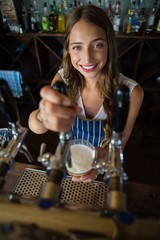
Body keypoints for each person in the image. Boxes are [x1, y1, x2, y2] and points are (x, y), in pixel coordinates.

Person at [29, 5, 144, 182]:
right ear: (68, 50)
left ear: (109, 46)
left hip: (106, 165)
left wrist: (102, 161)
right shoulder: (63, 80)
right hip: (72, 160)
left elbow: (119, 147)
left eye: (97, 45)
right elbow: (36, 127)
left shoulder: (131, 93)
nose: (88, 58)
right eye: (77, 47)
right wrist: (42, 115)